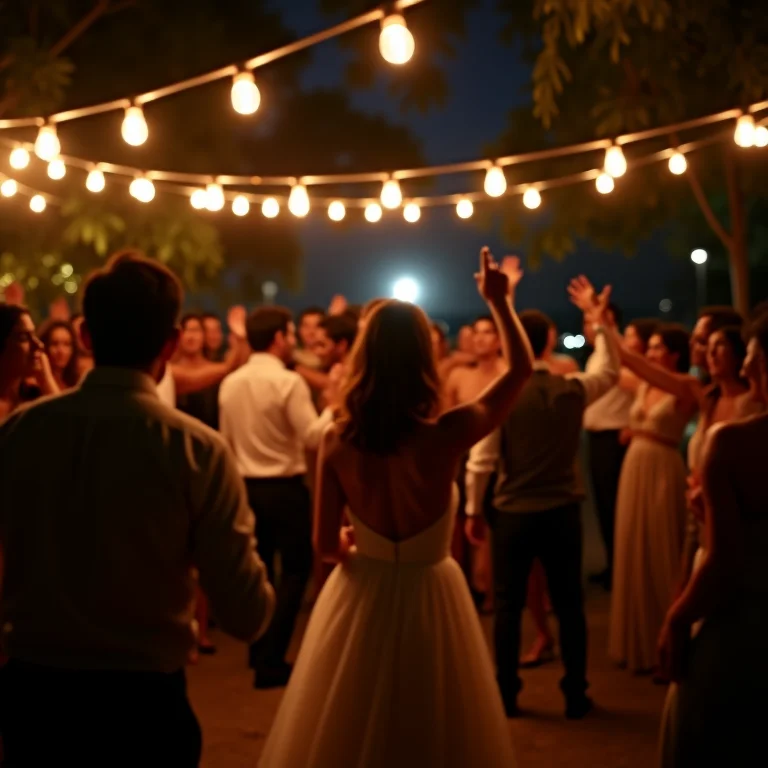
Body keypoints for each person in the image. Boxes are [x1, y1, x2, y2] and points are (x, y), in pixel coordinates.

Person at [259, 248, 533, 766]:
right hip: (433, 590)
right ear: (422, 360)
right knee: (434, 721)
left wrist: (354, 543)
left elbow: (323, 546)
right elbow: (521, 368)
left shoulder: (337, 441)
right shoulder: (448, 435)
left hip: (364, 591)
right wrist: (499, 301)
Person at [0, 251, 274, 767]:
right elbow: (247, 613)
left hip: (33, 698)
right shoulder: (196, 449)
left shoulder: (20, 433)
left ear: (84, 335)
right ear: (169, 343)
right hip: (144, 703)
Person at [466, 287, 620, 719]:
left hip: (514, 513)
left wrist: (474, 511)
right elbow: (609, 371)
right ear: (550, 342)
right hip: (562, 511)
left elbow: (483, 459)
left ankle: (507, 694)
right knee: (570, 605)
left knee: (508, 607)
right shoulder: (572, 388)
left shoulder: (503, 394)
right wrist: (600, 322)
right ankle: (575, 692)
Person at [657, 313, 768, 766]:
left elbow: (726, 560)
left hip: (744, 619)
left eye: (754, 359)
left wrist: (678, 619)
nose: (744, 368)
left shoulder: (736, 442)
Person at [219, 306, 331, 689]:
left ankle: (257, 649)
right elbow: (314, 436)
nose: (294, 341)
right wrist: (335, 404)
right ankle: (271, 659)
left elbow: (227, 443)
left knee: (261, 569)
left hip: (246, 487)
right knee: (296, 571)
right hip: (284, 488)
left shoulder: (230, 383)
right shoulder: (288, 382)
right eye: (291, 333)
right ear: (278, 338)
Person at [584, 315, 657, 590]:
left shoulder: (634, 369)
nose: (624, 340)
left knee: (617, 506)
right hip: (599, 436)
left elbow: (616, 380)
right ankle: (615, 564)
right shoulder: (601, 357)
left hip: (616, 440)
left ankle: (623, 567)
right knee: (605, 506)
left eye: (629, 335)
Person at [0, 305, 58, 421]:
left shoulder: (35, 398)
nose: (39, 345)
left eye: (34, 334)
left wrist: (46, 380)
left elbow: (68, 428)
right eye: (23, 337)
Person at [38, 319, 80, 390]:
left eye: (67, 344)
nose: (61, 351)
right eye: (54, 344)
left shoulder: (73, 382)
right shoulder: (35, 384)